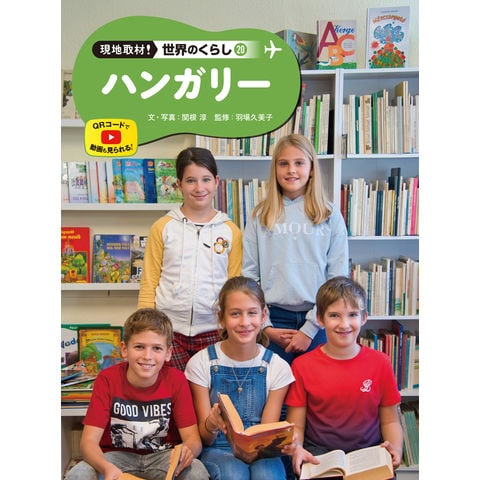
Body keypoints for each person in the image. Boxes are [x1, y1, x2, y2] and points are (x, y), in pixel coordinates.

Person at [66, 308, 209, 480]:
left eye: (157, 348)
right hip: (115, 458)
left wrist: (187, 451)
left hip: (164, 457)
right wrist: (106, 468)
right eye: (139, 347)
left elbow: (193, 440)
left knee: (197, 471)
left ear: (168, 353)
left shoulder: (176, 380)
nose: (147, 356)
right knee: (79, 474)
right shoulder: (107, 379)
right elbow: (88, 443)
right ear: (124, 349)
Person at [242, 133, 349, 365]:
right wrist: (265, 325)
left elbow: (337, 279)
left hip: (319, 319)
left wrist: (310, 329)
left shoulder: (329, 214)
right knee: (275, 386)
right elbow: (249, 276)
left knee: (315, 386)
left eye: (299, 163)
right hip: (273, 319)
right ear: (275, 169)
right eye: (284, 163)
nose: (291, 170)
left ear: (311, 169)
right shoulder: (260, 215)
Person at [284, 276, 403, 478]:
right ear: (320, 319)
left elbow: (390, 421)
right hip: (319, 454)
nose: (344, 324)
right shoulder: (302, 366)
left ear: (364, 317)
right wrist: (297, 449)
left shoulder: (381, 363)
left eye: (352, 315)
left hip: (369, 452)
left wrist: (396, 450)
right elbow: (297, 425)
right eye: (334, 315)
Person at [138, 147, 242, 370]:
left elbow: (234, 286)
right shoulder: (163, 227)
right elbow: (149, 282)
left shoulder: (230, 231)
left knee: (209, 391)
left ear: (216, 182)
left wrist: (230, 326)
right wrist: (146, 328)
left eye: (206, 179)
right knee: (173, 389)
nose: (199, 188)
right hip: (168, 330)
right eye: (191, 181)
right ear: (179, 184)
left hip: (214, 331)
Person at [184, 276, 295, 480]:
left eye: (252, 313)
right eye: (235, 314)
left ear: (263, 315)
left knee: (267, 475)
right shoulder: (201, 363)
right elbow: (205, 439)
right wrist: (211, 424)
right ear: (222, 318)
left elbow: (267, 429)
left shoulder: (277, 366)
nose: (244, 322)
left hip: (260, 451)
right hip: (217, 449)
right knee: (234, 474)